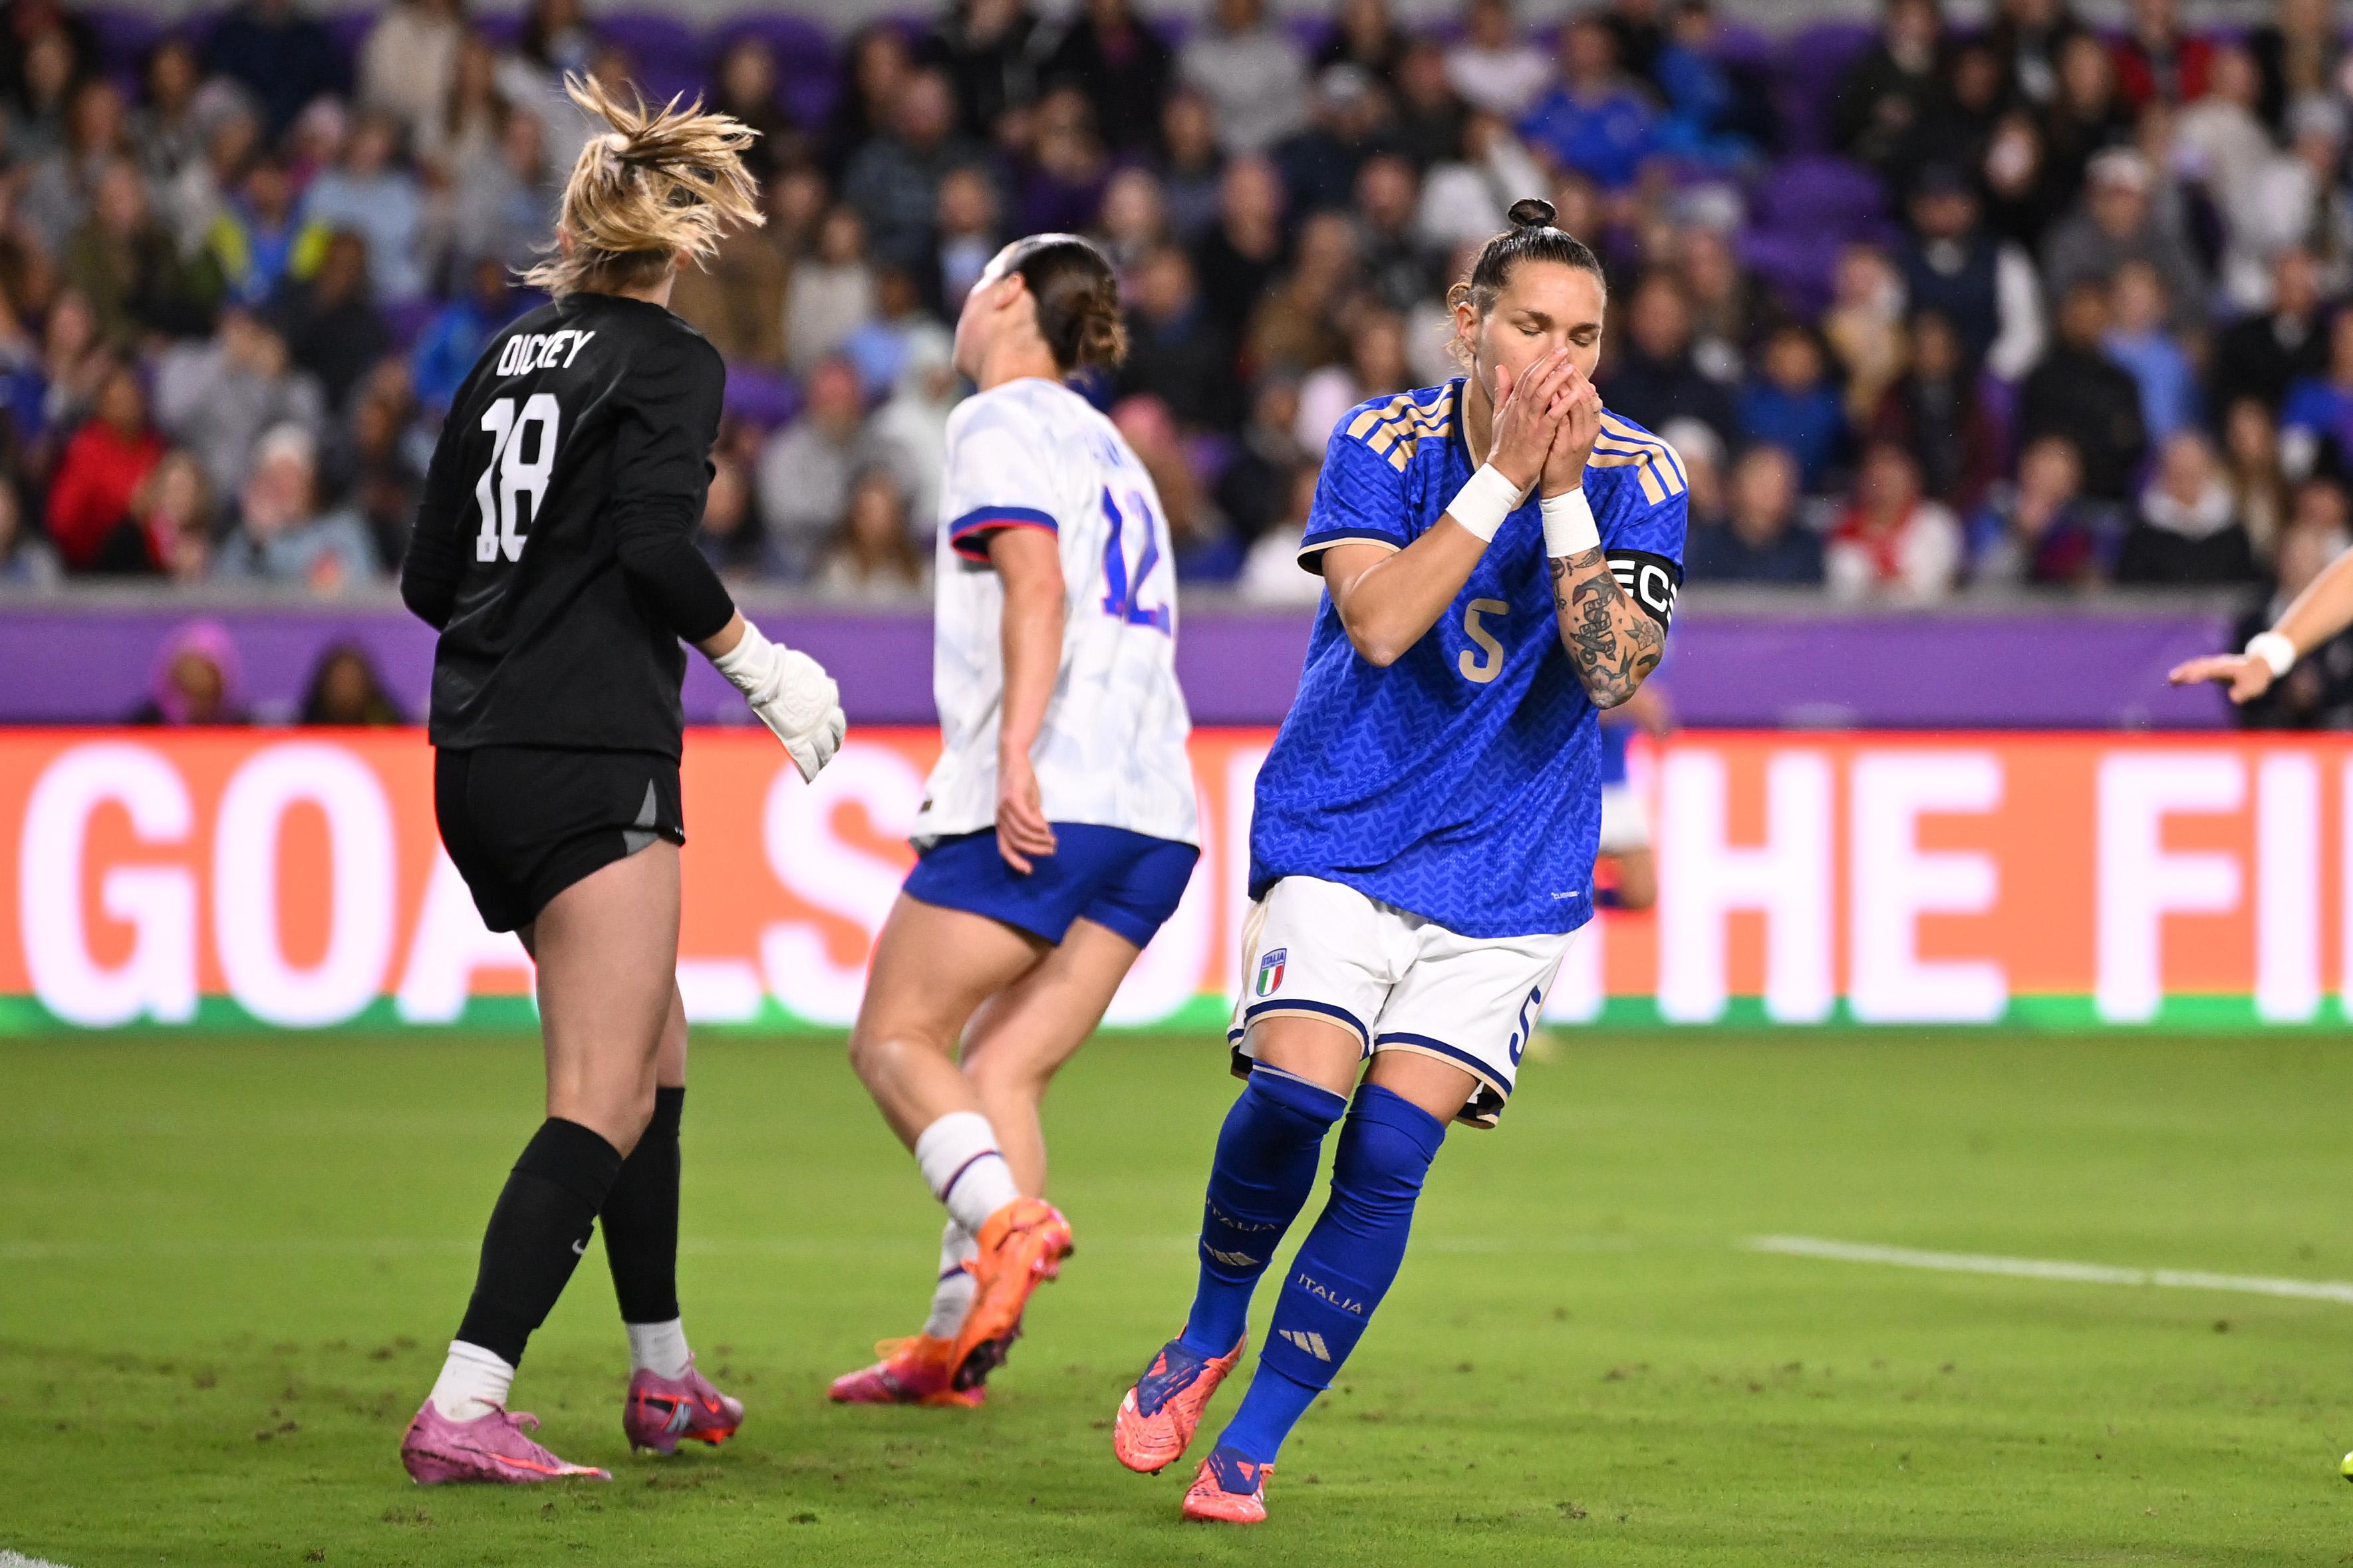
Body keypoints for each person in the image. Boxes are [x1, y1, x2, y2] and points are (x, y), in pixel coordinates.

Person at [1111, 199, 1685, 1524]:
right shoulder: (1381, 440)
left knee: (1385, 1150)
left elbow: (1611, 676)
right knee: (1299, 1100)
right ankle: (1209, 1327)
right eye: (1532, 326)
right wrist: (1502, 483)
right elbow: (1375, 624)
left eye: (1584, 337)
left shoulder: (1642, 475)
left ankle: (1252, 1442)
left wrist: (1559, 505)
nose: (1560, 361)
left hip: (1506, 873)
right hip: (1343, 830)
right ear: (1468, 324)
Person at [392, 75, 847, 1488]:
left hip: (475, 749)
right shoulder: (667, 361)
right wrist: (761, 664)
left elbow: (424, 583)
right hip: (587, 754)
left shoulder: (502, 357)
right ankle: (466, 1400)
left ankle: (660, 1376)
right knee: (600, 1094)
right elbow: (657, 550)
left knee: (653, 1052)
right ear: (679, 240)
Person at [827, 232, 1200, 1408]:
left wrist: (1018, 758)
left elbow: (1031, 581)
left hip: (1059, 787)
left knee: (893, 1037)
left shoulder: (995, 421)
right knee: (1004, 1072)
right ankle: (958, 1337)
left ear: (1001, 295)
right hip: (1157, 814)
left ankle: (1006, 1223)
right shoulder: (1117, 451)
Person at [300, 641, 405, 725]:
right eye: (339, 681)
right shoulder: (304, 733)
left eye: (352, 680)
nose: (345, 688)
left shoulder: (390, 726)